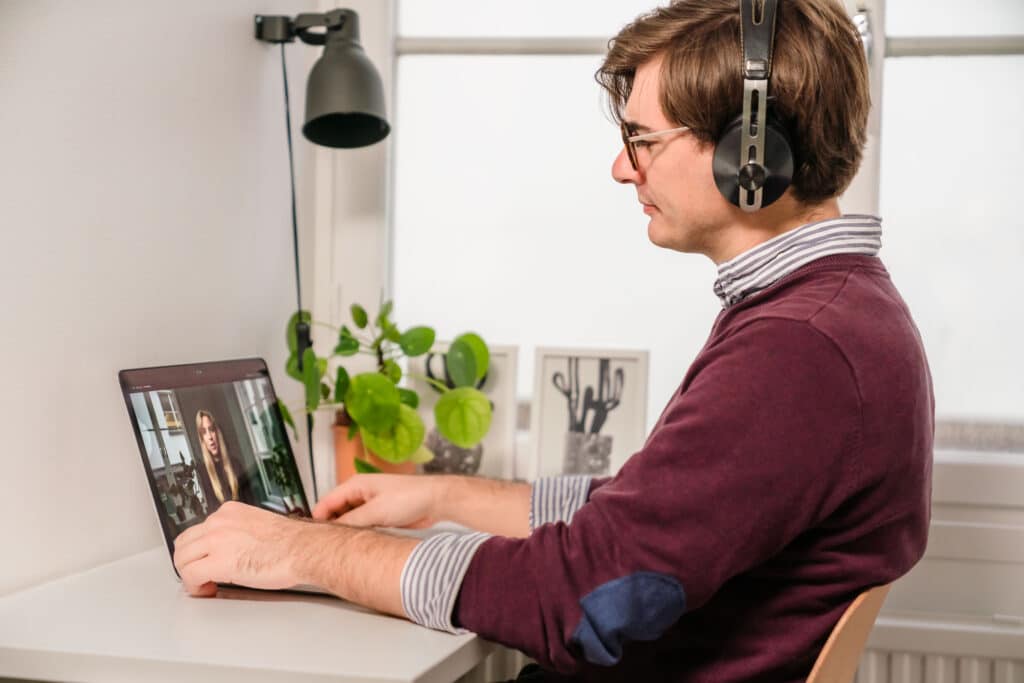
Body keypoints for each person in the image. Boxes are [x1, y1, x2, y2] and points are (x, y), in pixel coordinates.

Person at [172, 0, 933, 680]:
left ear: (750, 153)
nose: (620, 168)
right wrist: (444, 494)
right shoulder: (837, 311)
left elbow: (581, 597)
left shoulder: (800, 350)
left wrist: (299, 550)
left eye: (641, 139)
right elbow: (646, 517)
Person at [194, 409, 242, 508]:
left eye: (211, 430)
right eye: (204, 432)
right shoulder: (203, 474)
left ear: (217, 432)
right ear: (202, 440)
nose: (210, 437)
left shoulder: (236, 464)